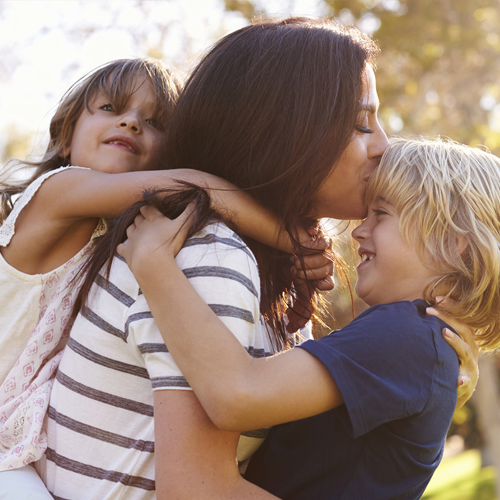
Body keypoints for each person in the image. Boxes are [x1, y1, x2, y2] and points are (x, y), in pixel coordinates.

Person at [42, 19, 477, 500]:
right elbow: (199, 490)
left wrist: (417, 378)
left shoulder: (258, 265)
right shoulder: (209, 258)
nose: (382, 146)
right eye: (360, 123)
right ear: (285, 130)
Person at [118, 136, 495, 499]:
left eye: (381, 214)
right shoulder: (423, 345)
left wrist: (153, 264)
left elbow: (237, 394)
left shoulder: (407, 334)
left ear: (451, 242)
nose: (359, 230)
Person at [0, 57, 303, 498]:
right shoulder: (57, 192)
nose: (131, 123)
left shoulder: (117, 234)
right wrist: (294, 240)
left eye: (154, 121)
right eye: (110, 108)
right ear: (66, 137)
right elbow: (195, 185)